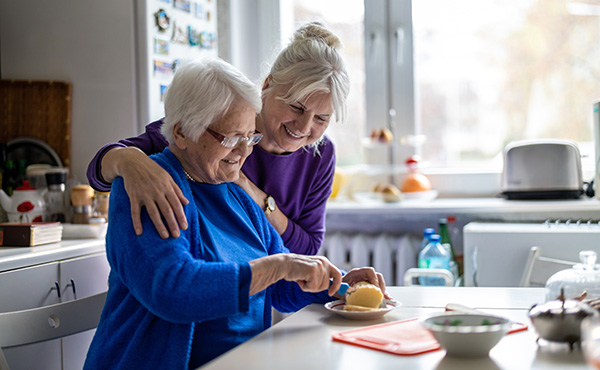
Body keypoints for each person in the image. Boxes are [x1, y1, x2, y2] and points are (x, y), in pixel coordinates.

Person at [83, 58, 385, 370]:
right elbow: (173, 290)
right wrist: (277, 266)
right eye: (231, 138)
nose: (244, 152)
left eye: (250, 137)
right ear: (182, 132)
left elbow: (282, 288)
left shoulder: (237, 196)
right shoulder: (149, 189)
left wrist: (338, 285)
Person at [86, 22, 350, 255]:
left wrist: (252, 193)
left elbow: (306, 250)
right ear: (268, 85)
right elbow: (97, 172)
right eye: (297, 107)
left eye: (321, 118)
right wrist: (129, 160)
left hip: (263, 292)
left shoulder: (320, 154)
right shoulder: (221, 116)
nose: (304, 127)